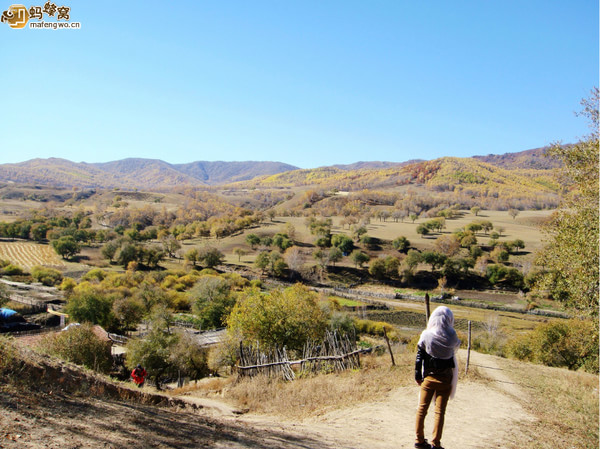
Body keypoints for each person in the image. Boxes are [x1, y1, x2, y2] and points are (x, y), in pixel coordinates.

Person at [414, 306, 461, 449]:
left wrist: (417, 375)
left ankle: (419, 440)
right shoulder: (451, 335)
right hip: (445, 379)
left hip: (428, 378)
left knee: (421, 410)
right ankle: (436, 443)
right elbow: (456, 347)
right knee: (439, 412)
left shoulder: (426, 334)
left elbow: (419, 356)